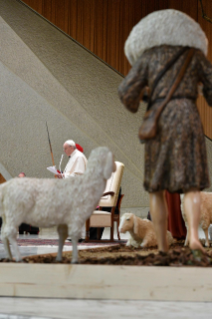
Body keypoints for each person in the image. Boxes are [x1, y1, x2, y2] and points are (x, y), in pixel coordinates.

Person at [118, 9, 212, 253]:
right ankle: (193, 237)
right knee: (191, 187)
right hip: (187, 120)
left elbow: (127, 94)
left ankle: (161, 244)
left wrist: (149, 95)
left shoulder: (148, 57)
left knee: (157, 188)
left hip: (158, 121)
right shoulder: (194, 56)